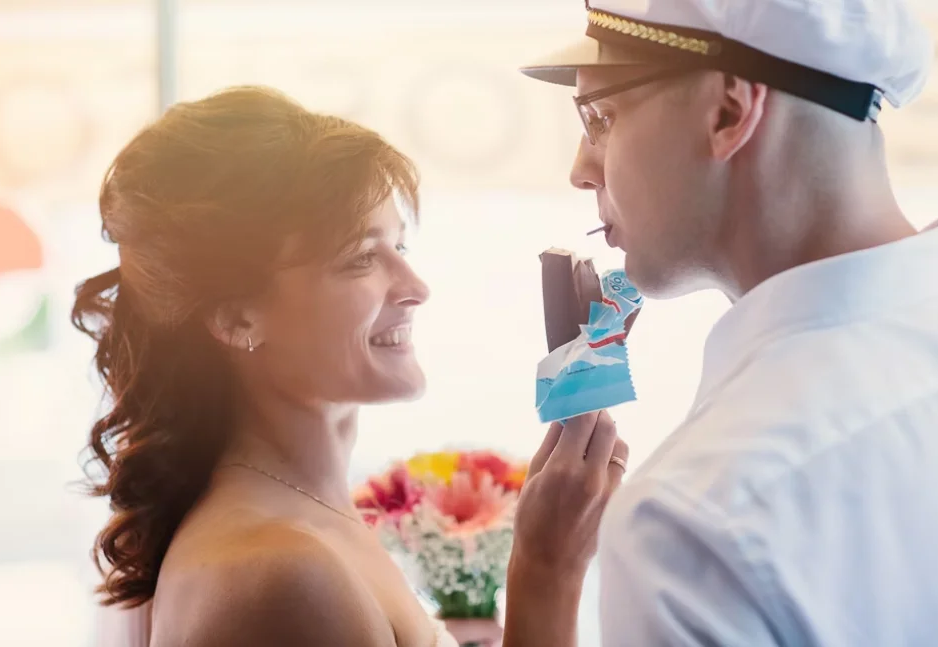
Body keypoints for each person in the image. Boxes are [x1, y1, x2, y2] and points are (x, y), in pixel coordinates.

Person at [74, 85, 628, 647]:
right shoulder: (281, 573)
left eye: (400, 248)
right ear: (239, 318)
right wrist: (546, 570)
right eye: (361, 258)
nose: (416, 288)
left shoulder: (313, 520)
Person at [516, 0, 938, 645]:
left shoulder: (695, 521)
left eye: (600, 118)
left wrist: (544, 573)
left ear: (729, 112)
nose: (580, 169)